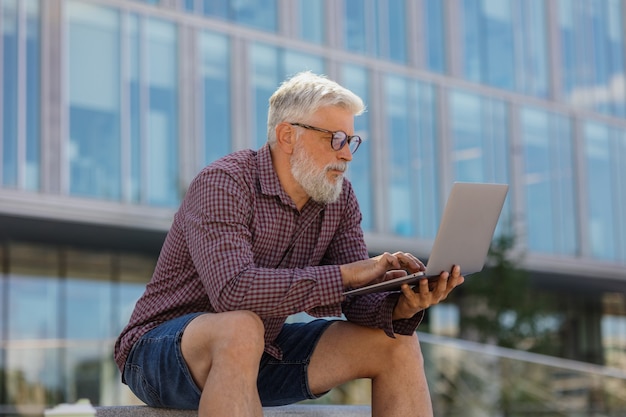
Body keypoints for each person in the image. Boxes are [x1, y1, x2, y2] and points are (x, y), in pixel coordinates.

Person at [114, 71, 464, 417]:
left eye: (352, 142)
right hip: (159, 355)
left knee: (397, 343)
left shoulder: (337, 200)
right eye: (336, 138)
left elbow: (358, 304)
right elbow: (233, 291)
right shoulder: (224, 183)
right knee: (241, 326)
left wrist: (401, 306)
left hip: (263, 351)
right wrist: (348, 274)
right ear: (287, 136)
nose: (347, 156)